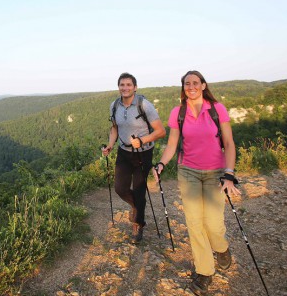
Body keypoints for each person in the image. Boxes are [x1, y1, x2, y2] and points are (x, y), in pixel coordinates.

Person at [153, 70, 240, 296]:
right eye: (186, 84)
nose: (190, 86)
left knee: (213, 223)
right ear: (183, 88)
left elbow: (229, 143)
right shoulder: (178, 112)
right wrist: (161, 164)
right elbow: (172, 144)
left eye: (195, 83)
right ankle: (205, 272)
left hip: (216, 172)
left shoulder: (217, 109)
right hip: (188, 171)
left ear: (203, 85)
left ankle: (221, 248)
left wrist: (229, 173)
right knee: (194, 223)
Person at [102, 72, 166, 244]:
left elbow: (161, 131)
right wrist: (110, 145)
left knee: (139, 190)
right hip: (124, 151)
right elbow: (114, 128)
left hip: (143, 152)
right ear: (119, 87)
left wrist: (142, 140)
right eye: (122, 85)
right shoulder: (114, 105)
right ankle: (136, 207)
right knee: (120, 188)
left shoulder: (145, 105)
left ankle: (139, 223)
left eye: (128, 85)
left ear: (135, 87)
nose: (125, 88)